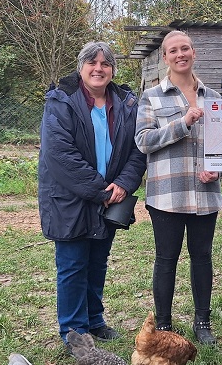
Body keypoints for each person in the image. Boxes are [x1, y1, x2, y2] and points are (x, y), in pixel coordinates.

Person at [38, 41, 146, 347]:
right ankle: (74, 332)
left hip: (110, 197)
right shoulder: (61, 102)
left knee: (97, 262)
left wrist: (123, 184)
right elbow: (60, 156)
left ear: (112, 70)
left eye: (105, 64)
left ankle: (94, 320)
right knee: (73, 266)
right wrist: (101, 190)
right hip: (71, 200)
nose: (98, 69)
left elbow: (138, 151)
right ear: (81, 67)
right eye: (92, 62)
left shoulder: (126, 103)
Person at [134, 30, 222, 345]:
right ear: (165, 57)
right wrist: (181, 123)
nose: (180, 54)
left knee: (202, 257)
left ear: (193, 53)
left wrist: (218, 169)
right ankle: (164, 325)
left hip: (205, 194)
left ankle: (202, 322)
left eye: (185, 48)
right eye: (173, 50)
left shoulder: (213, 97)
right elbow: (143, 141)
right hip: (167, 194)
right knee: (166, 258)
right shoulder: (151, 97)